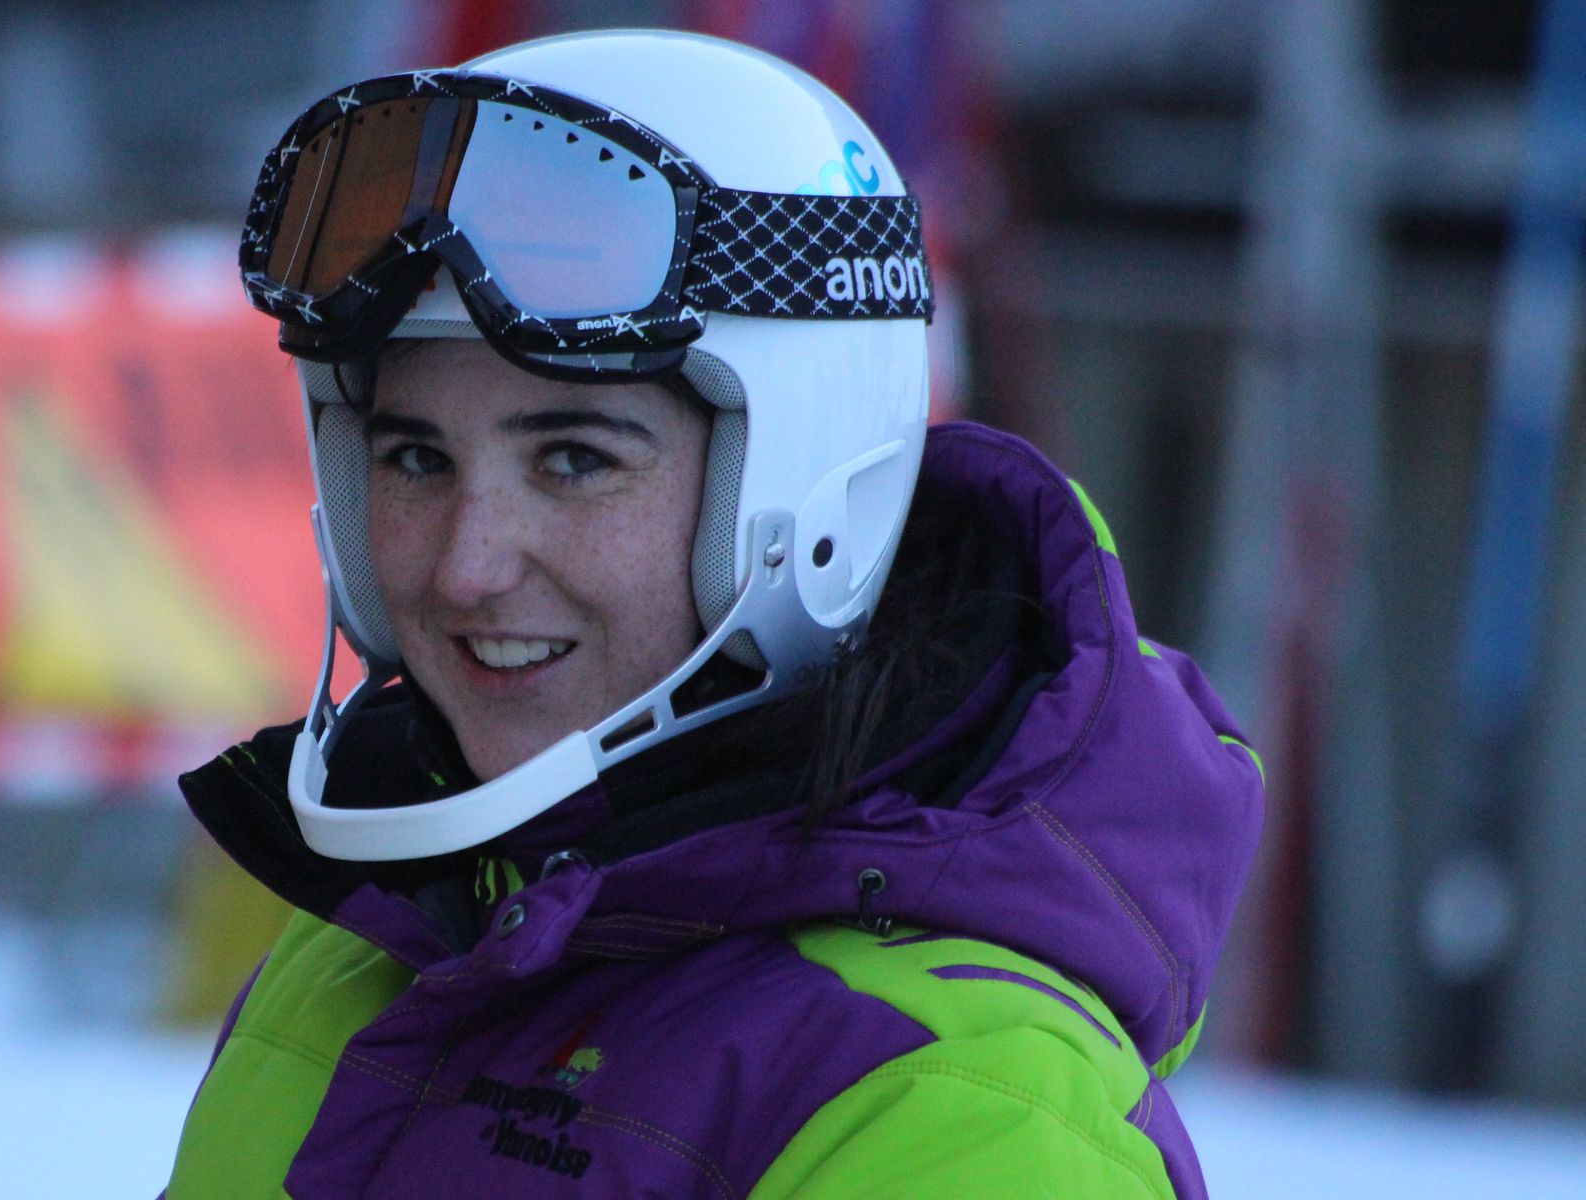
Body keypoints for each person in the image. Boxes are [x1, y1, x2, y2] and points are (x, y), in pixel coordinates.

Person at [164, 28, 1262, 1199]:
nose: (466, 568)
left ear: (801, 493)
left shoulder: (956, 1110)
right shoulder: (364, 954)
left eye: (575, 461)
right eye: (415, 458)